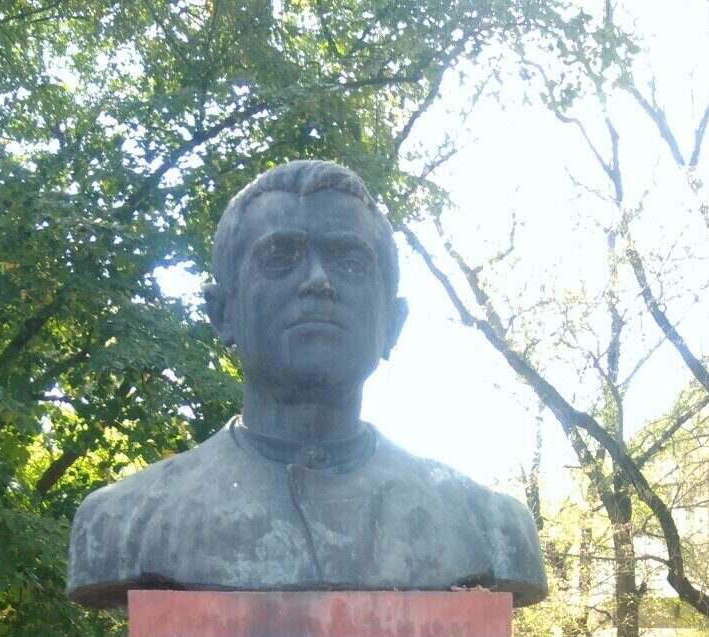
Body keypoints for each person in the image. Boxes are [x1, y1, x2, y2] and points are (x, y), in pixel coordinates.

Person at [67, 160, 547, 608]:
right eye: (280, 257)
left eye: (350, 262)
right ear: (222, 313)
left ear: (393, 324)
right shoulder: (124, 524)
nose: (319, 280)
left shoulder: (486, 527)